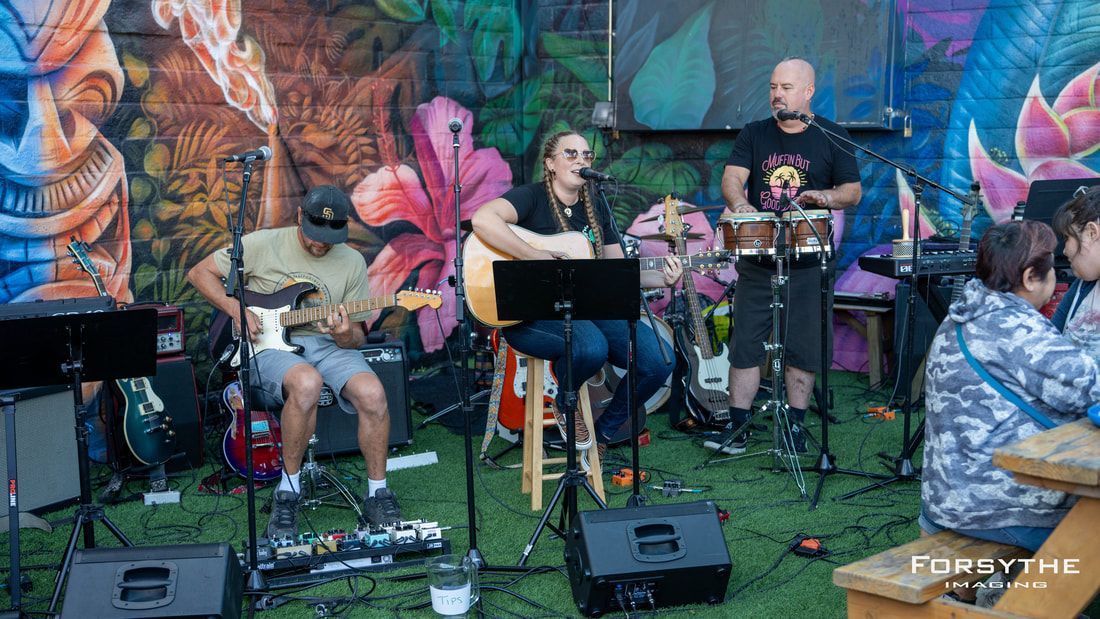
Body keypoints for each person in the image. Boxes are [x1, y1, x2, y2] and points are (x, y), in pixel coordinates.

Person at [187, 185, 400, 539]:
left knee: (374, 393)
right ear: (300, 216)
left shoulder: (352, 262)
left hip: (327, 346)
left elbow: (356, 338)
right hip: (268, 346)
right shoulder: (261, 244)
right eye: (315, 234)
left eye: (330, 238)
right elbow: (199, 274)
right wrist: (236, 310)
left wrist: (344, 334)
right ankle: (288, 491)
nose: (321, 244)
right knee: (306, 382)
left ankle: (378, 493)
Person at [471, 130, 681, 462]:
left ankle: (603, 434)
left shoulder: (596, 206)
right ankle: (565, 400)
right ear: (550, 163)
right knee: (592, 346)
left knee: (659, 360)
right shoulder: (531, 197)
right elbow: (482, 220)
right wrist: (533, 255)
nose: (580, 160)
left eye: (586, 155)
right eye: (570, 153)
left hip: (583, 309)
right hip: (529, 317)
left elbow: (617, 272)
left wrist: (663, 277)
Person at [921, 220, 1100, 554]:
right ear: (1031, 277)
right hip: (1001, 509)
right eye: (1052, 270)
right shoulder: (1018, 329)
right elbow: (1092, 391)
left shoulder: (963, 313)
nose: (1056, 278)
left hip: (946, 499)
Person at [717, 57, 862, 453]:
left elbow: (852, 191)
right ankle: (737, 426)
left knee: (803, 344)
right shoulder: (754, 133)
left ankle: (795, 427)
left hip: (809, 260)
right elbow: (732, 178)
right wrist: (739, 204)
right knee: (745, 342)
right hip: (758, 257)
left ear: (808, 91)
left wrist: (825, 197)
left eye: (786, 87)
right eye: (773, 87)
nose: (777, 95)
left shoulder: (832, 135)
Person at [1051, 186, 1100, 359]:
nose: (1064, 251)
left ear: (1092, 233)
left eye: (1067, 238)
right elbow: (1051, 343)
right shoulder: (1082, 285)